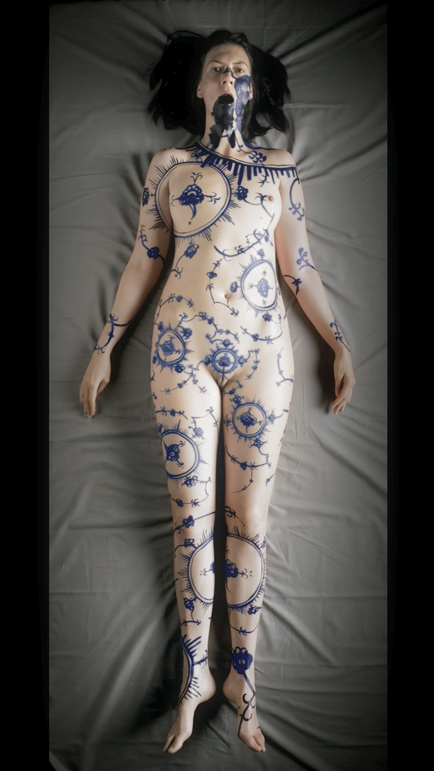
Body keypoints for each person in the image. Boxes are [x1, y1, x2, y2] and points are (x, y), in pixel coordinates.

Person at [79, 29, 356, 755]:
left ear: (254, 90)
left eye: (241, 70)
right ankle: (195, 674)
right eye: (217, 69)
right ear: (199, 87)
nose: (229, 76)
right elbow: (144, 260)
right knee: (190, 520)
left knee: (249, 520)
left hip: (262, 354)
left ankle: (243, 679)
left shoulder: (279, 169)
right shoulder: (168, 168)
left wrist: (337, 342)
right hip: (181, 352)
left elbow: (300, 267)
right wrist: (105, 347)